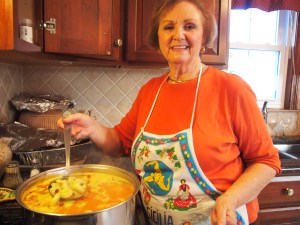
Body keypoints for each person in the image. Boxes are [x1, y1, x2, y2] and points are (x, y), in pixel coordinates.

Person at [58, 0, 281, 224]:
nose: (178, 35)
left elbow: (266, 162)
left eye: (190, 26)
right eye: (168, 27)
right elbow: (119, 142)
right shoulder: (150, 91)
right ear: (158, 39)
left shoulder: (231, 89)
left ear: (204, 38)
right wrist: (93, 128)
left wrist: (230, 200)